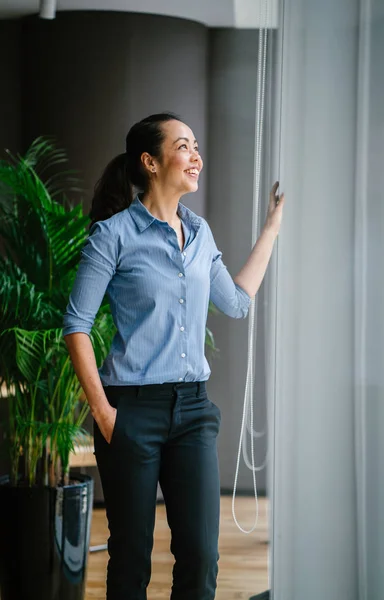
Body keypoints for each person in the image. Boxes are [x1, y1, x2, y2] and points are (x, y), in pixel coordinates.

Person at [63, 112, 285, 600]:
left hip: (193, 413)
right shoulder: (114, 235)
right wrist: (104, 414)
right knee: (132, 558)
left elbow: (237, 302)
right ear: (151, 161)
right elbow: (76, 326)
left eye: (196, 146)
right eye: (184, 146)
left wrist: (272, 227)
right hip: (131, 412)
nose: (196, 156)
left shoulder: (199, 233)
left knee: (203, 556)